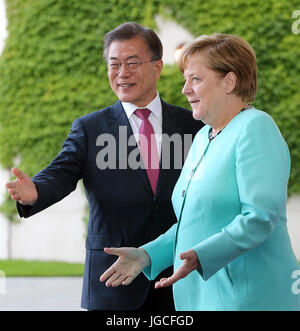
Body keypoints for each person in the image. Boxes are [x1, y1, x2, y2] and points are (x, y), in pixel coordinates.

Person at [5, 22, 203, 311]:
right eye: (114, 64)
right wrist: (35, 191)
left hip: (178, 276)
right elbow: (61, 173)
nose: (122, 73)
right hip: (113, 280)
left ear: (158, 67)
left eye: (132, 63)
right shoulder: (90, 128)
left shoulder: (191, 125)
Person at [100, 33, 300, 311]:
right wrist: (147, 254)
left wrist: (200, 255)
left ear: (229, 82)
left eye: (196, 79)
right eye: (186, 79)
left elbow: (260, 216)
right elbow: (193, 221)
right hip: (202, 298)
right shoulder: (204, 136)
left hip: (249, 297)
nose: (185, 89)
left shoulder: (256, 128)